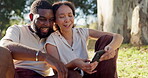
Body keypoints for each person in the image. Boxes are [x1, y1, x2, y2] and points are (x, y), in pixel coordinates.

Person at [0, 0, 81, 78]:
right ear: (31, 17)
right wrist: (43, 56)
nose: (47, 24)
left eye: (51, 20)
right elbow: (5, 45)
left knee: (73, 75)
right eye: (42, 19)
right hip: (15, 74)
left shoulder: (53, 37)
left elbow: (59, 70)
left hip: (40, 76)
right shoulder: (18, 30)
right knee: (2, 51)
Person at [45, 1, 124, 78]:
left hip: (90, 73)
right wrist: (75, 63)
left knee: (107, 39)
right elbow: (57, 70)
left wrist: (111, 47)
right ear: (55, 20)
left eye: (70, 15)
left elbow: (118, 37)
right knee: (73, 74)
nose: (67, 20)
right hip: (72, 75)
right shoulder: (52, 40)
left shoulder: (81, 32)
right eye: (62, 17)